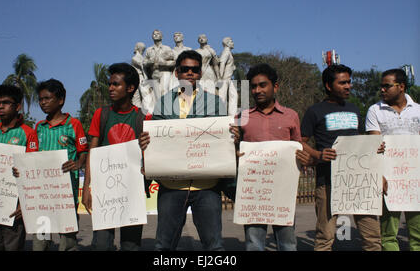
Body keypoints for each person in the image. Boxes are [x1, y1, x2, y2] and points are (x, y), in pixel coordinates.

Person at [139, 50, 231, 251]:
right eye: (185, 69)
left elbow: (222, 139)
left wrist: (233, 136)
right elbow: (155, 140)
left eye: (195, 70)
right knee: (163, 247)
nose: (190, 73)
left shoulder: (215, 102)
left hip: (207, 186)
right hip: (172, 186)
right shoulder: (163, 102)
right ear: (176, 73)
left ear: (200, 73)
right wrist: (146, 141)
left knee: (215, 247)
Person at [300, 64, 382, 251]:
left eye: (349, 82)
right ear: (329, 86)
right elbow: (300, 141)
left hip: (360, 183)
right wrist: (317, 155)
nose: (348, 86)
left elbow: (363, 141)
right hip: (328, 182)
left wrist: (376, 147)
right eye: (343, 83)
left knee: (372, 237)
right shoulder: (315, 111)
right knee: (325, 237)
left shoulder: (354, 109)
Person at [233, 63, 312, 251]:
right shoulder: (241, 117)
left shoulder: (291, 116)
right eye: (253, 86)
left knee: (287, 243)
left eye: (262, 85)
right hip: (252, 191)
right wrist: (235, 152)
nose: (257, 90)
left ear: (275, 87)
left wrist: (304, 157)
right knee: (254, 243)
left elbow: (298, 145)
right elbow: (233, 148)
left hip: (283, 190)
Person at [13, 79, 88, 251]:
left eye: (47, 98)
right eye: (40, 99)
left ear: (60, 100)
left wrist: (77, 163)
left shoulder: (73, 124)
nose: (43, 103)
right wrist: (21, 169)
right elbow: (30, 157)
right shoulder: (38, 127)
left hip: (66, 189)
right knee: (41, 237)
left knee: (67, 235)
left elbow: (83, 150)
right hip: (41, 192)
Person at [82, 63, 146, 251]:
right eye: (110, 84)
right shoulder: (101, 115)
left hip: (131, 191)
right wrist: (86, 188)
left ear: (130, 88)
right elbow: (92, 153)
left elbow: (148, 153)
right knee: (101, 244)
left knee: (131, 246)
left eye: (116, 84)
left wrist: (146, 167)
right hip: (104, 191)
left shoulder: (142, 118)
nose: (110, 88)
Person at [365, 68, 420, 251]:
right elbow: (374, 143)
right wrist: (379, 175)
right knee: (388, 235)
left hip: (415, 182)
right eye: (381, 86)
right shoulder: (375, 111)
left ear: (401, 86)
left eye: (387, 86)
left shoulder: (418, 110)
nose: (382, 90)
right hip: (389, 180)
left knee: (417, 234)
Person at [0, 85, 39, 251]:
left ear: (18, 106)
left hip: (14, 205)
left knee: (12, 247)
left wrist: (24, 203)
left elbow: (32, 170)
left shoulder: (28, 133)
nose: (0, 106)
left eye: (6, 102)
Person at [144, 30, 175, 96]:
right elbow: (144, 62)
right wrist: (150, 62)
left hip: (165, 72)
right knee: (156, 94)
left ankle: (165, 106)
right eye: (154, 34)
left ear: (161, 36)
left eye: (158, 34)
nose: (155, 35)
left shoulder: (167, 48)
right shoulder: (149, 50)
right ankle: (159, 106)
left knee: (164, 91)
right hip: (154, 72)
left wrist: (164, 63)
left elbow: (173, 62)